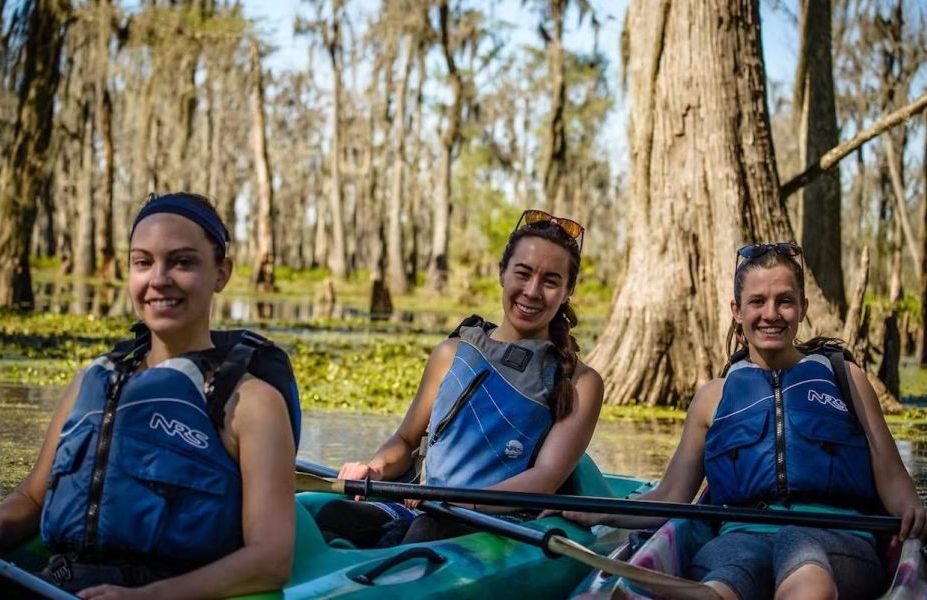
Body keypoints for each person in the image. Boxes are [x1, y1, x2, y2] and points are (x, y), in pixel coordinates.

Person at [0, 193, 300, 599]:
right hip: (58, 584)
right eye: (143, 262)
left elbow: (270, 561)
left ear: (221, 272)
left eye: (182, 261)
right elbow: (32, 496)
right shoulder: (92, 381)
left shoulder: (252, 402)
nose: (159, 279)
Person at [557, 242, 927, 600]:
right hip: (740, 538)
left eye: (784, 301)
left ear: (803, 307)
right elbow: (672, 496)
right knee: (730, 574)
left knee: (801, 550)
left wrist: (911, 511)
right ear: (737, 310)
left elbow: (892, 475)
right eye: (757, 302)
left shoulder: (845, 378)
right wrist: (599, 511)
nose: (771, 314)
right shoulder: (712, 398)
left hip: (839, 538)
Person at [316, 209, 605, 546]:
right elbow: (406, 442)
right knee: (333, 516)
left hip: (495, 521)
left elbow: (544, 478)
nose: (532, 291)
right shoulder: (451, 352)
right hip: (426, 509)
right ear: (502, 272)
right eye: (522, 273)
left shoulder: (580, 382)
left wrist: (454, 502)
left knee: (428, 533)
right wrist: (373, 470)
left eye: (550, 281)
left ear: (568, 289)